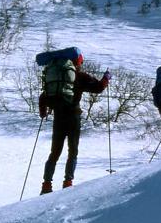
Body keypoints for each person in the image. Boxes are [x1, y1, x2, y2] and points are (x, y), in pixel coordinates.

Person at [39, 55, 110, 193]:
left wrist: (43, 112)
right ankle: (68, 182)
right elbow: (99, 87)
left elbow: (43, 96)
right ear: (77, 63)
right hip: (73, 118)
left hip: (58, 118)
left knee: (54, 152)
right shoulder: (80, 76)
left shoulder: (55, 77)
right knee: (73, 151)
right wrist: (106, 77)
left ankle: (46, 185)